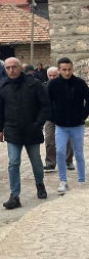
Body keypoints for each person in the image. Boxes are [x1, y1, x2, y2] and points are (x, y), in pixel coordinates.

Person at [0, 57, 49, 209]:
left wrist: (38, 123)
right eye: (8, 68)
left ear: (20, 68)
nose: (11, 70)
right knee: (13, 163)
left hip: (32, 129)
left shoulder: (34, 84)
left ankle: (40, 184)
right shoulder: (1, 86)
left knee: (36, 162)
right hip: (12, 130)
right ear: (5, 69)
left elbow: (45, 106)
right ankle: (14, 195)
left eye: (14, 67)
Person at [48, 57, 89, 194]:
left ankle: (82, 179)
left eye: (69, 69)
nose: (67, 72)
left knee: (78, 153)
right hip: (60, 125)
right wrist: (53, 117)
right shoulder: (53, 85)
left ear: (72, 69)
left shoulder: (80, 83)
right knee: (60, 151)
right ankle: (63, 181)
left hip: (77, 125)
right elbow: (47, 102)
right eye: (64, 70)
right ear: (59, 70)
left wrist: (83, 115)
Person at [43, 66, 73, 172]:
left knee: (68, 141)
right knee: (49, 140)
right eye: (50, 75)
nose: (52, 77)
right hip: (50, 118)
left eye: (54, 75)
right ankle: (50, 163)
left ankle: (68, 161)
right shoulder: (44, 87)